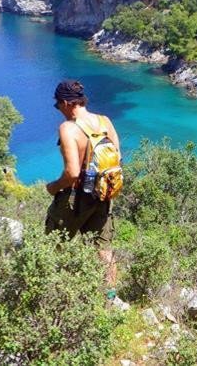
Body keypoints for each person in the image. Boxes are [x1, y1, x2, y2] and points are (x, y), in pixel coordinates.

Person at [45, 80, 120, 299]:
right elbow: (117, 159)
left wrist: (53, 187)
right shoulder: (105, 121)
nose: (58, 110)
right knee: (103, 250)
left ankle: (54, 298)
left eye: (58, 105)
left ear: (67, 103)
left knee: (53, 245)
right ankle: (110, 298)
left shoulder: (68, 128)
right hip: (102, 197)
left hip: (74, 199)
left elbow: (72, 173)